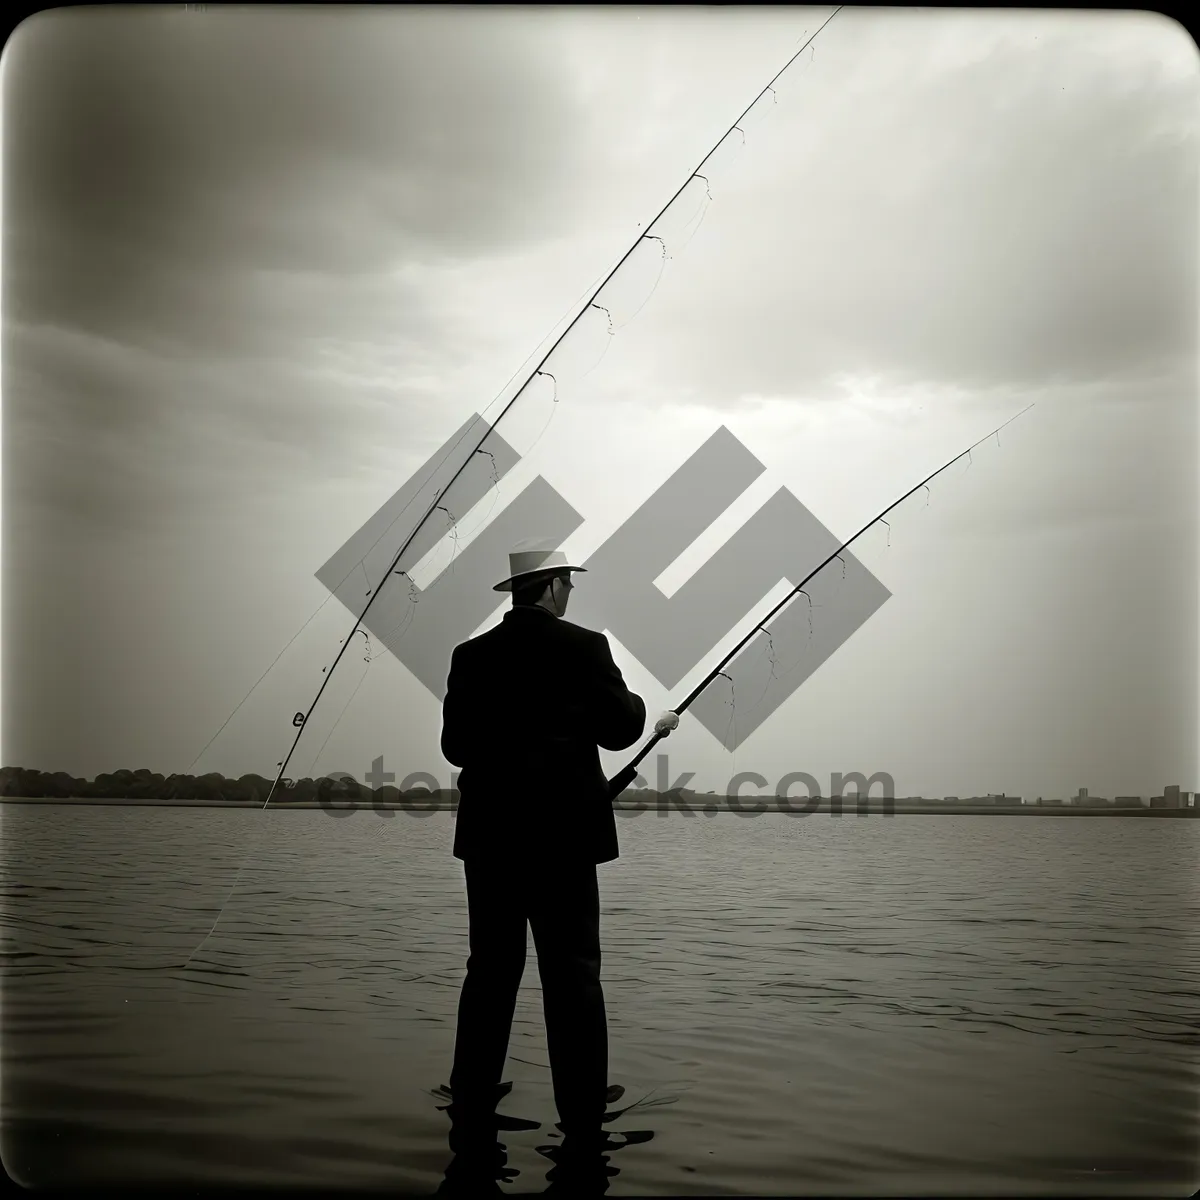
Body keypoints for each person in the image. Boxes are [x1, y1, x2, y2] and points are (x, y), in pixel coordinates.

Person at [439, 536, 679, 1141]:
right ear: (549, 587)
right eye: (567, 583)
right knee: (572, 973)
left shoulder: (470, 656)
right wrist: (654, 712)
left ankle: (472, 1093)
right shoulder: (586, 648)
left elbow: (455, 748)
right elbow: (624, 729)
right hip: (566, 842)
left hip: (490, 841)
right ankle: (581, 1104)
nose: (571, 592)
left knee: (490, 969)